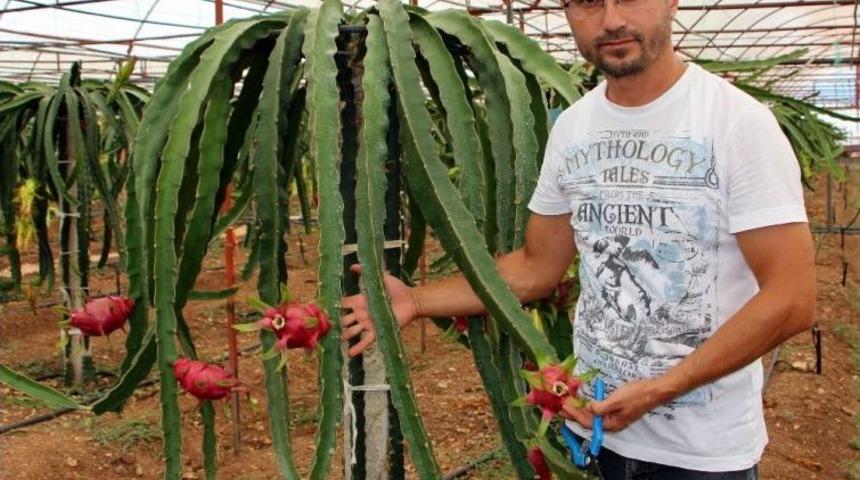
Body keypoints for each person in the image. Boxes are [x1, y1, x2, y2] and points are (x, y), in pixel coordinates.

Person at [340, 0, 816, 478]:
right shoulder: (573, 128)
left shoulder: (736, 123)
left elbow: (792, 298)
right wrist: (417, 301)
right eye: (588, 2)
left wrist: (660, 388)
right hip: (596, 431)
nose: (611, 21)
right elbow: (534, 268)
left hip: (699, 457)